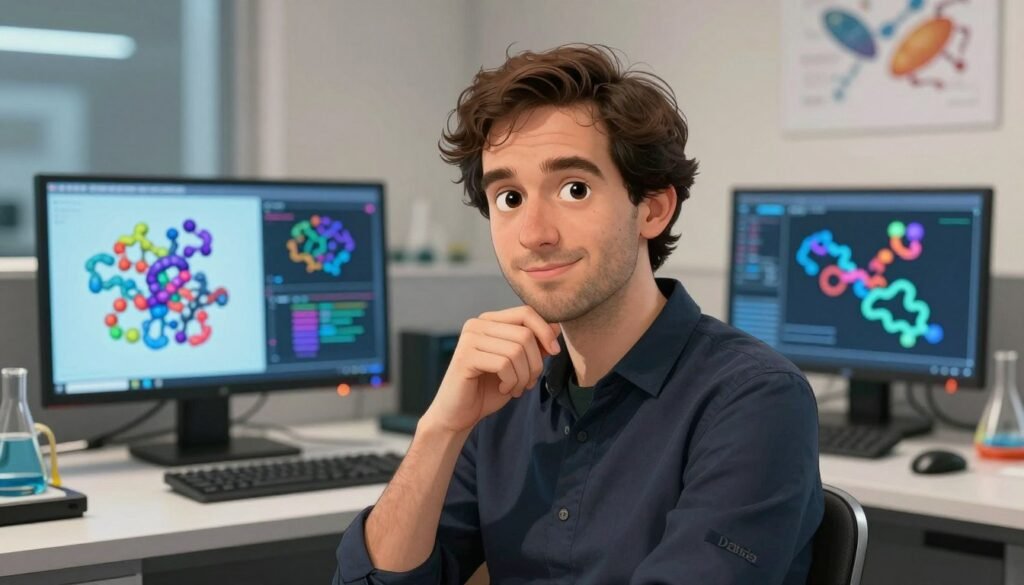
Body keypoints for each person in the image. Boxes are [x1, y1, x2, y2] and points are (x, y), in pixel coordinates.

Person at [333, 44, 823, 585]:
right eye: (509, 198)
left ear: (652, 209)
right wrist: (439, 429)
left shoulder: (754, 399)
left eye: (574, 189)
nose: (535, 233)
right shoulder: (502, 396)